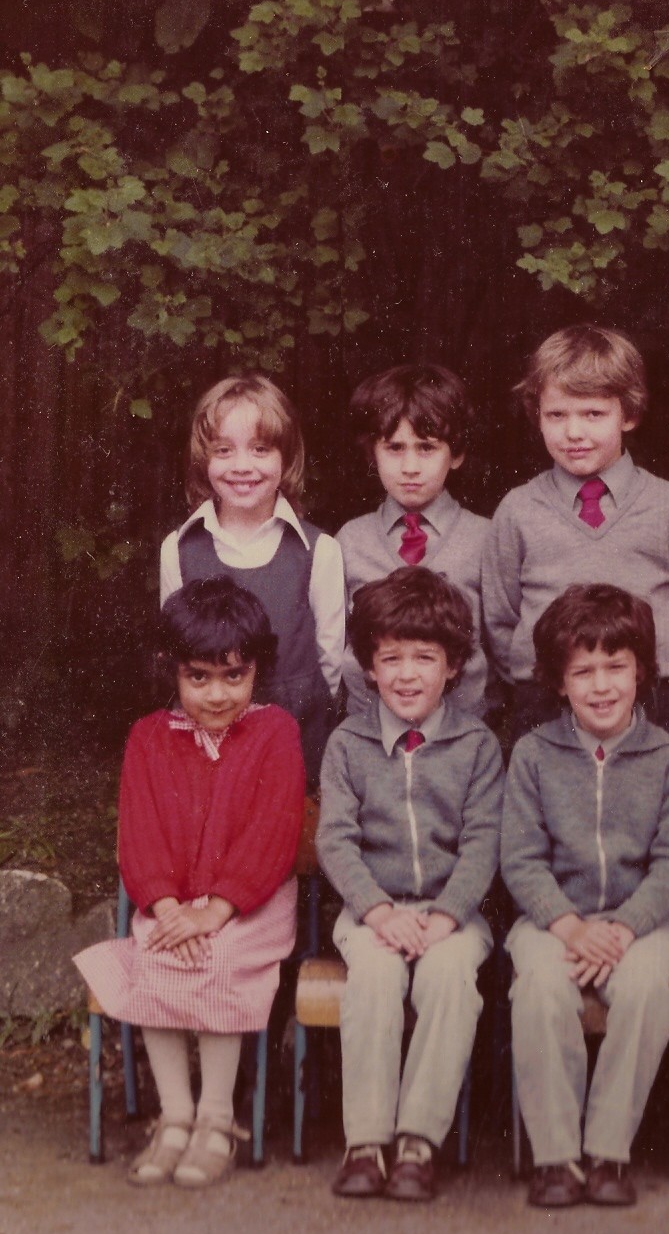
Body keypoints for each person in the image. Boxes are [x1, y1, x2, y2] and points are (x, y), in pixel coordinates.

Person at [74, 578, 304, 1188]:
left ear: (256, 671)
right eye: (198, 677)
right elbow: (140, 831)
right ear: (172, 672)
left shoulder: (276, 732)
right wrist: (169, 906)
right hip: (171, 903)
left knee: (219, 959)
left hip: (251, 902)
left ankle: (217, 1118)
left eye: (234, 676)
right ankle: (175, 1116)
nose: (217, 693)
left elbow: (272, 831)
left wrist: (217, 909)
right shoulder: (149, 737)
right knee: (155, 953)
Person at [500, 584, 669, 1207]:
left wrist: (624, 927)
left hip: (640, 924)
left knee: (645, 994)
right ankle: (556, 1157)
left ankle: (609, 1153)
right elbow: (521, 859)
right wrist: (570, 927)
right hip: (553, 923)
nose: (602, 685)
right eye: (583, 672)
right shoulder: (534, 754)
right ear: (559, 683)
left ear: (642, 672)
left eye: (616, 666)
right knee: (539, 990)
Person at [316, 566, 502, 1202]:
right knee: (373, 977)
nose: (406, 674)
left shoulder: (477, 746)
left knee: (449, 978)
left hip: (453, 915)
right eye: (390, 658)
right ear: (369, 667)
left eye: (424, 658)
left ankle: (419, 1140)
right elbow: (335, 841)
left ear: (453, 666)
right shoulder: (348, 744)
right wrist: (377, 912)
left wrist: (446, 916)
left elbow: (483, 843)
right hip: (371, 912)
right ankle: (366, 1143)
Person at [482, 325, 669, 742]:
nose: (574, 433)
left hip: (651, 699)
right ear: (537, 415)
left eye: (593, 414)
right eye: (557, 415)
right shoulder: (518, 509)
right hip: (545, 699)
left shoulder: (668, 505)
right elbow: (501, 617)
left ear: (629, 414)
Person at [158, 374, 345, 778]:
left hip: (296, 745)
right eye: (224, 450)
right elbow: (178, 657)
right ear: (203, 459)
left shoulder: (320, 551)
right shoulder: (179, 548)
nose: (242, 466)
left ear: (286, 457)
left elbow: (330, 665)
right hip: (208, 746)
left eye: (260, 449)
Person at [335, 363, 493, 721]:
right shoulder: (351, 540)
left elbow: (498, 644)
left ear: (456, 454)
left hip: (464, 730)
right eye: (394, 448)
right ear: (372, 453)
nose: (410, 467)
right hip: (370, 729)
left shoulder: (484, 538)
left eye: (426, 448)